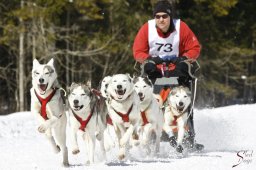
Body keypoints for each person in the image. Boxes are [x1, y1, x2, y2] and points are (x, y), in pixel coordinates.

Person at [133, 0, 203, 151]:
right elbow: (138, 51)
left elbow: (194, 47)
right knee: (148, 74)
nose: (161, 20)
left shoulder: (181, 27)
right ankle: (146, 132)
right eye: (157, 16)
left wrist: (185, 59)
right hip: (155, 71)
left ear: (170, 16)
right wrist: (148, 60)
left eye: (164, 16)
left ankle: (188, 134)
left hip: (176, 68)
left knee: (183, 74)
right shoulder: (147, 28)